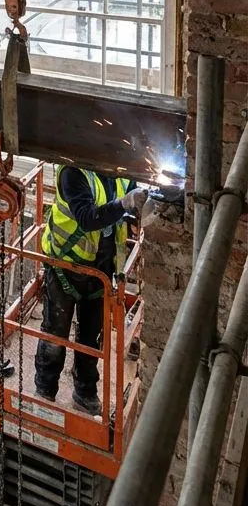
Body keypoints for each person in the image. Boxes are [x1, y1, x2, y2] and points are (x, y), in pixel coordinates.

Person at [35, 165, 149, 415]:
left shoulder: (120, 171)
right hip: (66, 266)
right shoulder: (73, 172)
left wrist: (143, 199)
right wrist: (124, 204)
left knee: (92, 336)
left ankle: (85, 391)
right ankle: (45, 388)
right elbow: (87, 219)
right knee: (55, 334)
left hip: (101, 270)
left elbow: (133, 195)